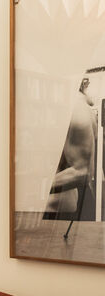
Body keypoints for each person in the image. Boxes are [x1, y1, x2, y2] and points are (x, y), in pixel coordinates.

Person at [45, 77, 97, 228]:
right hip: (68, 205)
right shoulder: (78, 109)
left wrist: (37, 189)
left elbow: (82, 172)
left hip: (65, 210)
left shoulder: (77, 111)